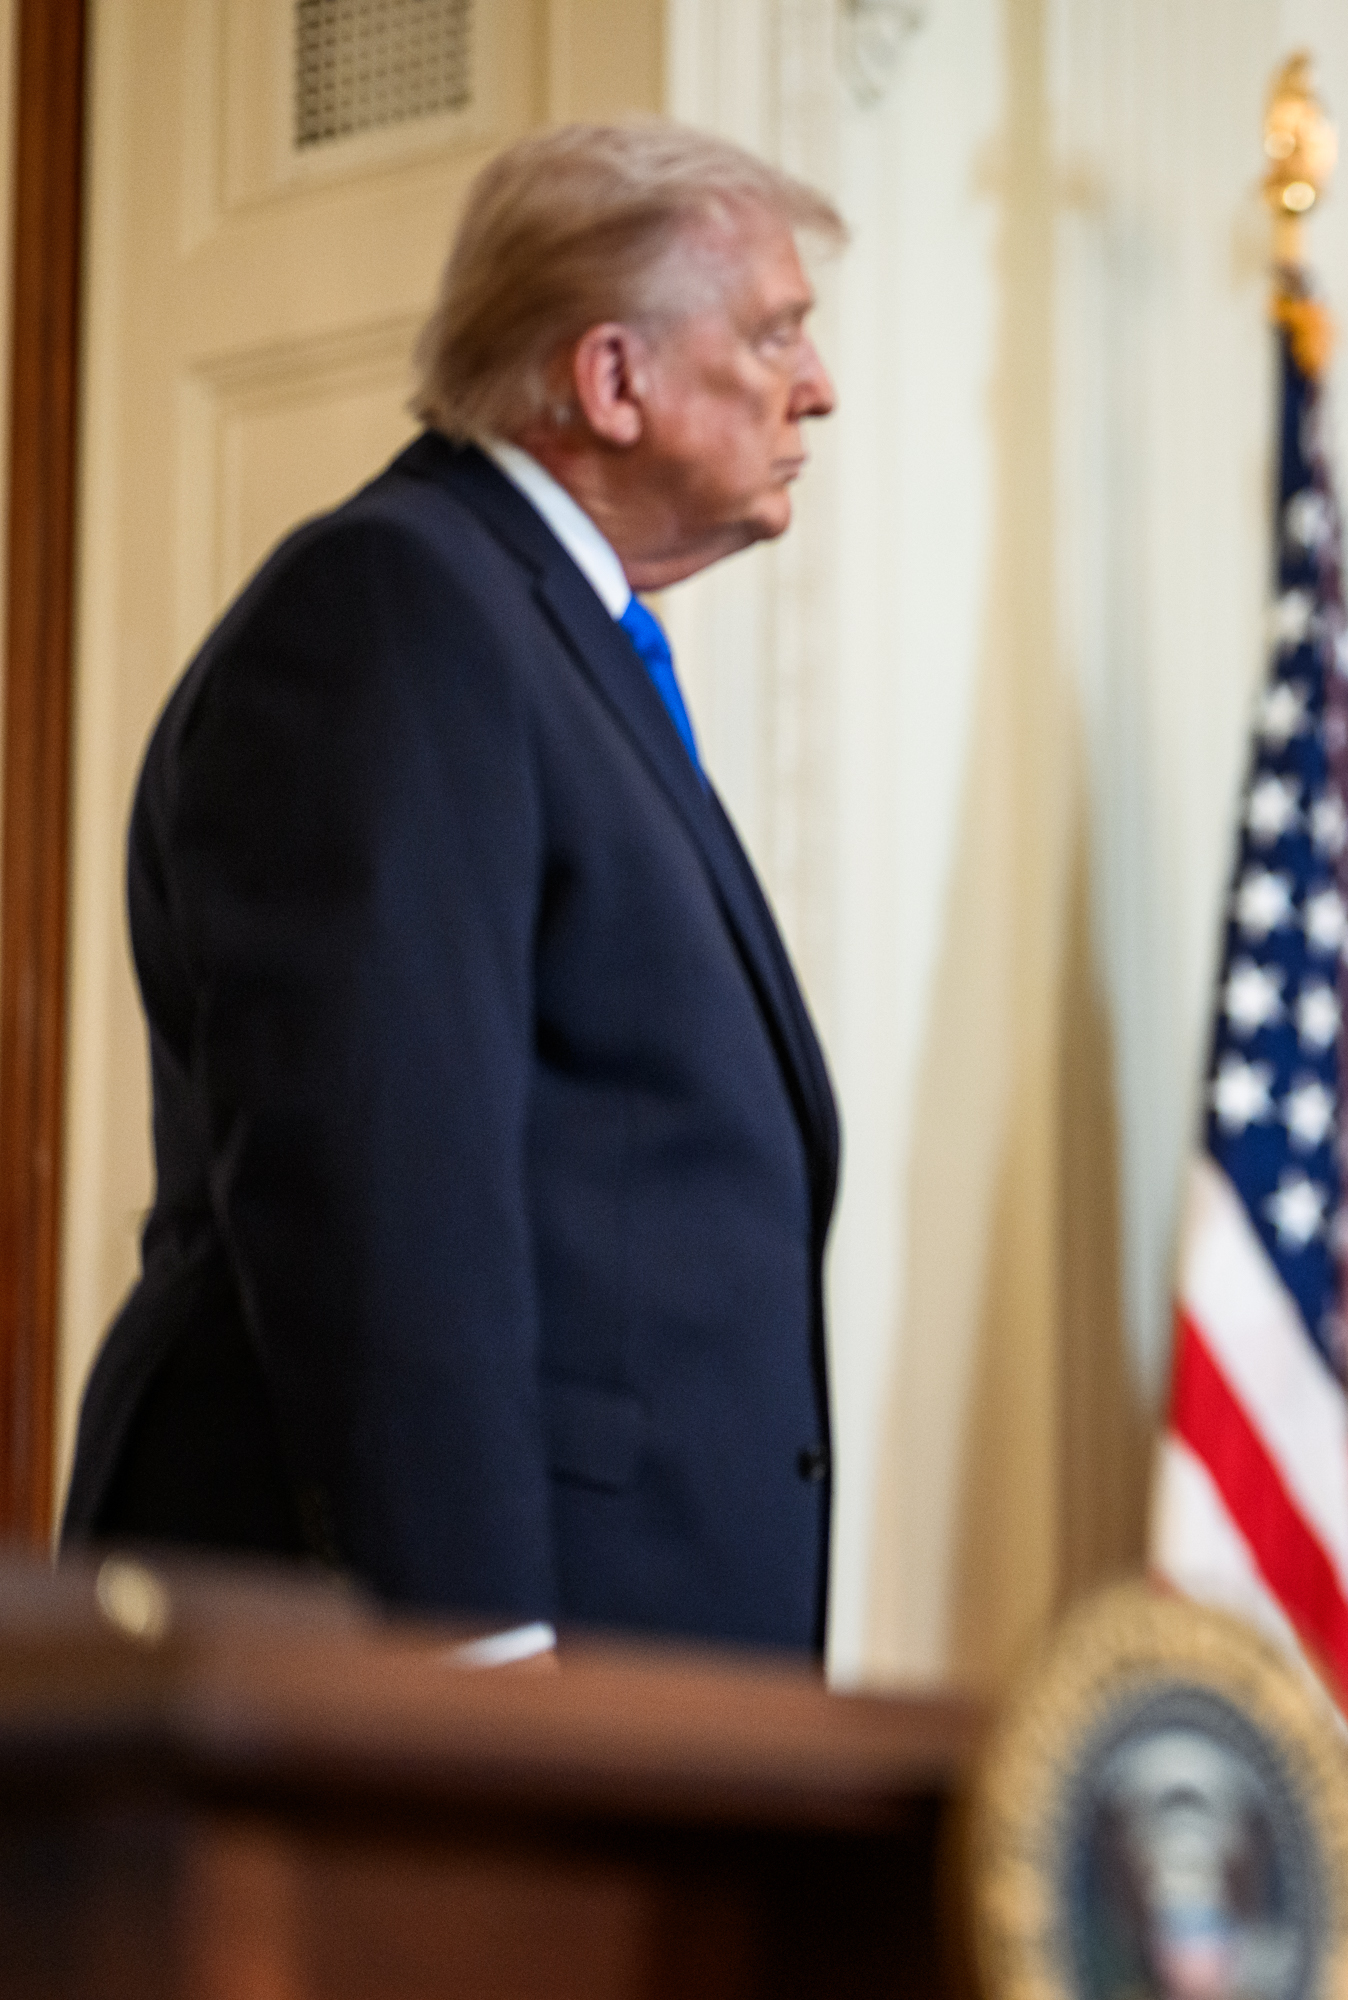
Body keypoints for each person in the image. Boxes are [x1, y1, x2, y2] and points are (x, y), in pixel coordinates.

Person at [61, 123, 846, 1659]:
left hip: (640, 1670)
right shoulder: (394, 611)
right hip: (458, 1683)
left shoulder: (548, 636)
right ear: (610, 379)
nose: (815, 386)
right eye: (774, 333)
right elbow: (381, 1194)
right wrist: (475, 1666)